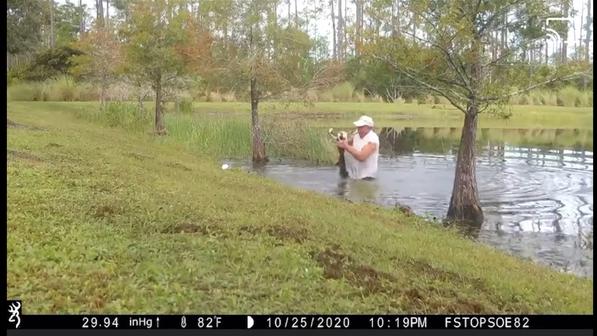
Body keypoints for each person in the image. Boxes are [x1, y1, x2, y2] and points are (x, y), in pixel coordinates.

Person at [336, 115, 379, 180]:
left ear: (369, 127)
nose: (358, 128)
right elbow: (345, 148)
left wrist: (346, 146)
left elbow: (361, 157)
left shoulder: (373, 140)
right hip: (354, 174)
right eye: (358, 126)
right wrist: (341, 143)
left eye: (361, 126)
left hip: (367, 177)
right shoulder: (356, 137)